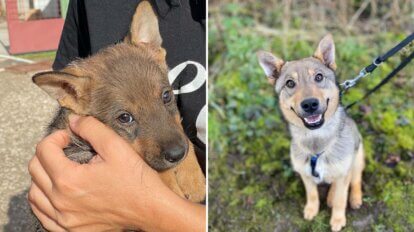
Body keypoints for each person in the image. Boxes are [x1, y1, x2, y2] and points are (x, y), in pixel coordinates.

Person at [28, 0, 206, 231]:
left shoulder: (145, 54)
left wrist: (156, 212)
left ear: (154, 48)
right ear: (71, 93)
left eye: (165, 97)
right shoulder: (93, 7)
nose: (177, 146)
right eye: (125, 118)